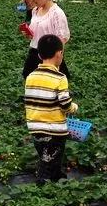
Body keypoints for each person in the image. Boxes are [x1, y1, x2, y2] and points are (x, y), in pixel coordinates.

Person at [24, 34, 78, 185]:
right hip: (54, 130)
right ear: (59, 54)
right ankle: (43, 188)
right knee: (48, 162)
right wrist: (73, 108)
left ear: (39, 55)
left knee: (48, 158)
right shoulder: (60, 78)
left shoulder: (31, 77)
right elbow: (65, 104)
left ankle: (57, 178)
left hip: (35, 128)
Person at [21, 0, 71, 79]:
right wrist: (28, 34)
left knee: (51, 86)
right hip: (34, 53)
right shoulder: (35, 10)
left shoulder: (57, 13)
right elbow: (35, 33)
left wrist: (56, 62)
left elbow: (61, 40)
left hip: (49, 57)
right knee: (30, 81)